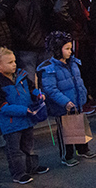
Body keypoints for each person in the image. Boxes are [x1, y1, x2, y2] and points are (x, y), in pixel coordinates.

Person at [37, 31, 93, 166]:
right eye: (67, 48)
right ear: (57, 50)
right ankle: (66, 156)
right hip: (63, 106)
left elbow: (78, 80)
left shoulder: (73, 63)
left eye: (70, 48)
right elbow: (51, 89)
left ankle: (82, 149)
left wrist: (83, 95)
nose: (70, 51)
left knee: (79, 125)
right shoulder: (49, 68)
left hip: (76, 102)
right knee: (65, 132)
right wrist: (65, 101)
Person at [0, 46, 48, 184]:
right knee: (14, 150)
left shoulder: (21, 75)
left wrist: (38, 95)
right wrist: (23, 110)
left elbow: (31, 89)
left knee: (28, 145)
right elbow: (1, 107)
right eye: (10, 62)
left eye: (14, 61)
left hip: (27, 118)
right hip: (11, 123)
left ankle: (32, 167)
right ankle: (18, 173)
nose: (14, 65)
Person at [3, 0, 53, 84]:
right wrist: (23, 40)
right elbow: (10, 26)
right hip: (25, 49)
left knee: (48, 81)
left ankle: (47, 102)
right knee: (29, 82)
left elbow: (50, 17)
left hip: (44, 44)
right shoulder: (12, 1)